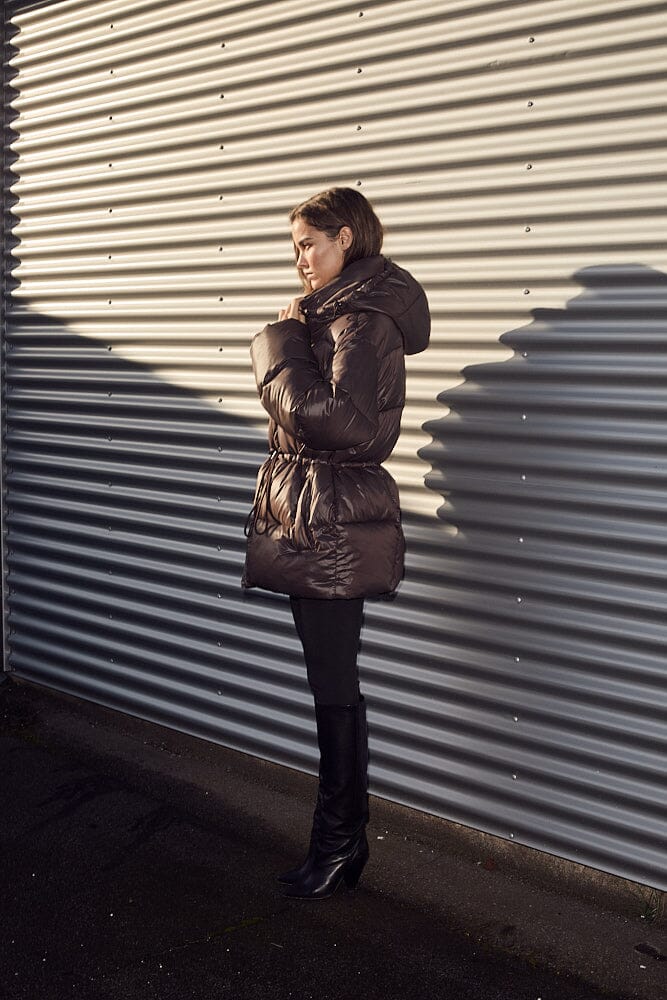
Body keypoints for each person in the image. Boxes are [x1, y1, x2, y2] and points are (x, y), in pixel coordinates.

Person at [242, 187, 430, 899]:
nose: (300, 260)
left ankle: (339, 843)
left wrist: (281, 343)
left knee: (333, 683)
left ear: (344, 238)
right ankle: (340, 844)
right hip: (313, 512)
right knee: (329, 680)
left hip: (331, 519)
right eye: (295, 247)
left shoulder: (363, 321)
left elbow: (342, 423)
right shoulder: (333, 314)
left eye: (308, 244)